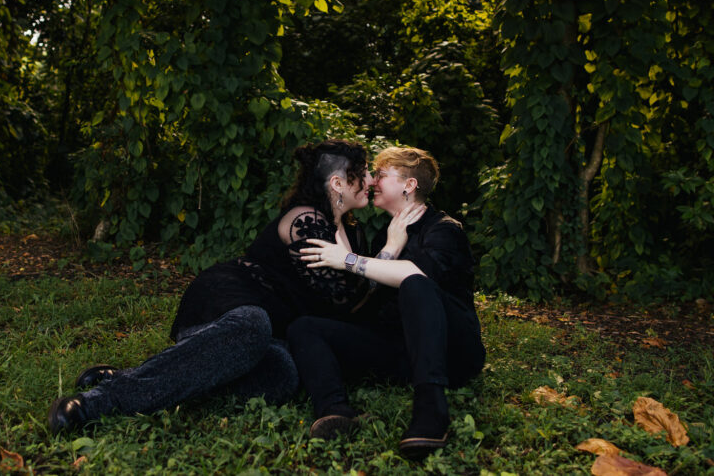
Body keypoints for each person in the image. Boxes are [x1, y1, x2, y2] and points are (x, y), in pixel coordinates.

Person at [48, 139, 374, 434]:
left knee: (282, 374)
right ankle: (99, 401)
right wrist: (389, 257)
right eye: (364, 172)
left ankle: (135, 377)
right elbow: (341, 299)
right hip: (233, 300)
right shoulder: (306, 220)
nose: (371, 180)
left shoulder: (354, 233)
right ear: (338, 183)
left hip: (272, 331)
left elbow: (352, 309)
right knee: (252, 325)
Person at [291, 146, 485, 459]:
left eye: (382, 174)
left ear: (409, 185)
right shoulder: (386, 232)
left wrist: (348, 259)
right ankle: (336, 411)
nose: (373, 180)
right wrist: (388, 248)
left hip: (453, 353)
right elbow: (370, 295)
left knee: (414, 285)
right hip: (402, 349)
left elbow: (414, 276)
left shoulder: (445, 229)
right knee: (305, 328)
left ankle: (432, 410)